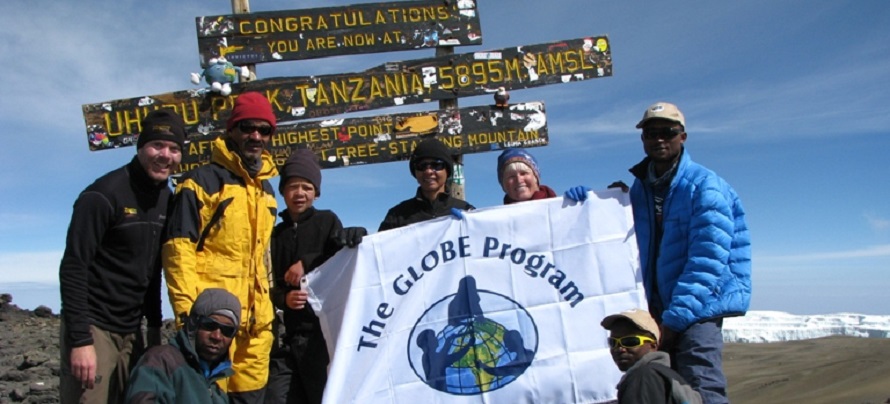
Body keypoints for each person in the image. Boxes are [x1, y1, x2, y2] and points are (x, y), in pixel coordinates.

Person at [627, 102, 751, 403]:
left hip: (699, 309)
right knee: (659, 388)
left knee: (701, 388)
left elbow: (707, 262)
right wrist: (594, 202)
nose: (658, 139)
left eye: (667, 132)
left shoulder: (705, 187)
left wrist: (675, 319)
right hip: (659, 311)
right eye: (650, 133)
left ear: (683, 136)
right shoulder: (639, 188)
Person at [59, 109, 185, 404]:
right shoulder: (102, 195)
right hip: (95, 327)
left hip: (132, 330)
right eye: (157, 145)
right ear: (141, 147)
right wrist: (80, 341)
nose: (165, 155)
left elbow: (152, 270)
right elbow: (74, 267)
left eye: (174, 149)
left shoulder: (166, 199)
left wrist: (153, 329)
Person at [163, 92, 280, 403]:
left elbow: (263, 256)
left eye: (264, 130)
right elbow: (178, 251)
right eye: (247, 127)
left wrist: (269, 311)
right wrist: (189, 315)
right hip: (213, 325)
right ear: (231, 130)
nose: (255, 136)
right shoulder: (200, 182)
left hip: (257, 325)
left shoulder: (267, 191)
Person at [265, 149, 366, 404]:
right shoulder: (276, 235)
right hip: (290, 335)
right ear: (283, 192)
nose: (300, 194)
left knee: (322, 397)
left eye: (306, 187)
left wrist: (306, 262)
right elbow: (272, 285)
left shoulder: (327, 220)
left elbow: (341, 256)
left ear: (316, 192)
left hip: (323, 338)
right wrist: (284, 299)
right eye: (292, 187)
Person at [125, 288, 241, 403]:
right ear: (193, 324)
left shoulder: (219, 396)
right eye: (209, 324)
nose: (217, 336)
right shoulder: (161, 362)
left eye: (227, 330)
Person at [601, 309, 702, 404]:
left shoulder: (642, 377)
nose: (620, 349)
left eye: (630, 341)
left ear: (653, 345)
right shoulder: (669, 377)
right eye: (613, 342)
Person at [378, 137, 474, 231]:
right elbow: (379, 245)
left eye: (436, 165)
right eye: (421, 166)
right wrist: (364, 240)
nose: (428, 171)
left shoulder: (466, 211)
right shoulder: (397, 216)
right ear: (415, 172)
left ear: (447, 170)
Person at [496, 148, 589, 204]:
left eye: (524, 173)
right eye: (511, 176)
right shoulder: (497, 223)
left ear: (536, 177)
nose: (519, 180)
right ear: (503, 184)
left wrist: (590, 202)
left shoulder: (563, 208)